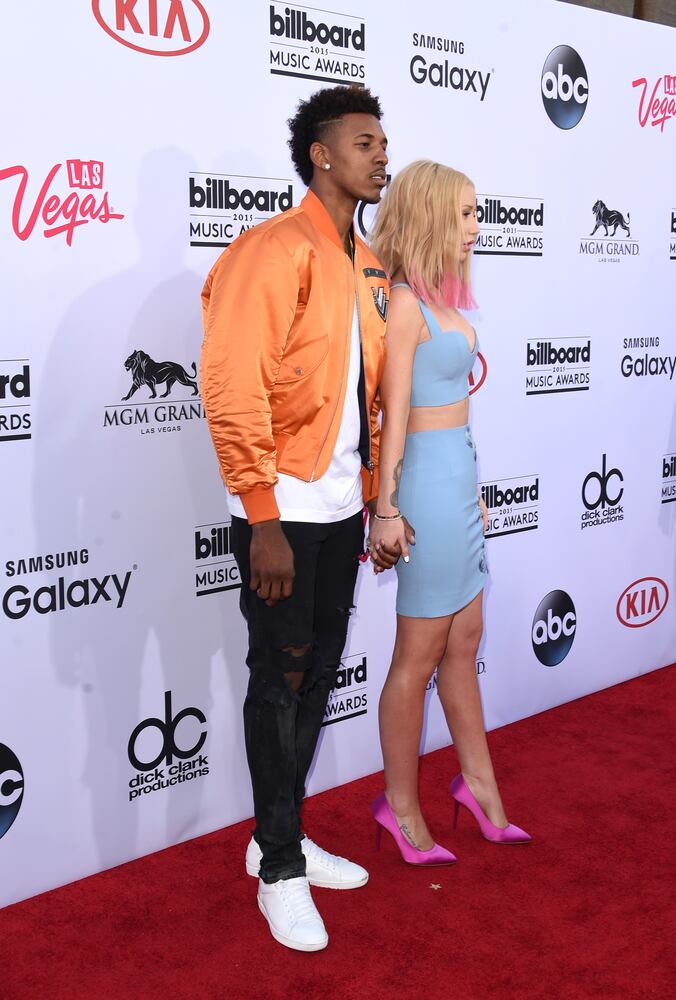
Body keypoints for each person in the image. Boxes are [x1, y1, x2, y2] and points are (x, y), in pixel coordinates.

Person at [199, 86, 393, 952]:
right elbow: (231, 384)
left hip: (343, 505)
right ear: (321, 154)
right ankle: (279, 869)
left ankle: (275, 836)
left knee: (314, 677)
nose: (381, 156)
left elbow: (368, 399)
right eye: (364, 142)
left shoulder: (370, 264)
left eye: (383, 143)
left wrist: (374, 496)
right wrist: (262, 514)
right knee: (277, 680)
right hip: (281, 508)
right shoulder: (271, 250)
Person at [367, 160, 531, 864]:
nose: (476, 227)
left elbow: (456, 413)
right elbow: (394, 418)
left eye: (477, 213)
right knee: (418, 655)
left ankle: (480, 788)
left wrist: (474, 493)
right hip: (424, 493)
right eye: (464, 214)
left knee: (465, 639)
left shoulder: (441, 300)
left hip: (457, 483)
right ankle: (399, 807)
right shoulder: (406, 304)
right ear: (431, 215)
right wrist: (387, 508)